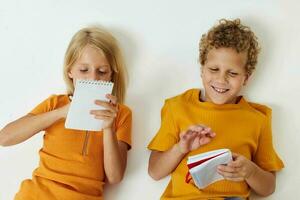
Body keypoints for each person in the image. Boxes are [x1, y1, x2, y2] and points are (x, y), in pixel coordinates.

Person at [148, 19, 284, 200]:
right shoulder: (177, 107)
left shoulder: (258, 119)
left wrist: (250, 172)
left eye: (233, 73)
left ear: (246, 78)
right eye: (213, 69)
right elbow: (155, 172)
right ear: (202, 69)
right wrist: (180, 148)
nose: (221, 79)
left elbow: (268, 188)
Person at [0, 26, 132, 200]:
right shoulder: (55, 103)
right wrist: (61, 113)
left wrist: (108, 128)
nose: (92, 78)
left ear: (111, 75)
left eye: (101, 71)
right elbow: (5, 137)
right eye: (84, 70)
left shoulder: (121, 114)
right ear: (70, 71)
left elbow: (114, 177)